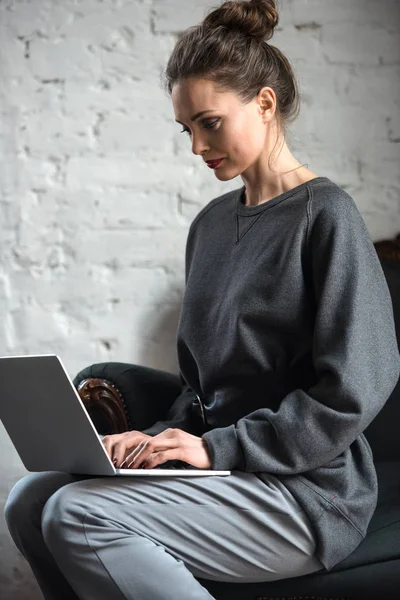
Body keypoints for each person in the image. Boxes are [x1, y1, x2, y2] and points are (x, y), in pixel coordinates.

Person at [4, 1, 400, 599]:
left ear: (264, 104)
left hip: (303, 491)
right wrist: (152, 439)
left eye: (209, 123)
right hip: (223, 469)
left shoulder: (326, 217)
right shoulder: (211, 226)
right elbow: (202, 387)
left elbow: (353, 390)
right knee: (29, 499)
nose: (196, 147)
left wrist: (216, 447)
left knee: (76, 514)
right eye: (186, 129)